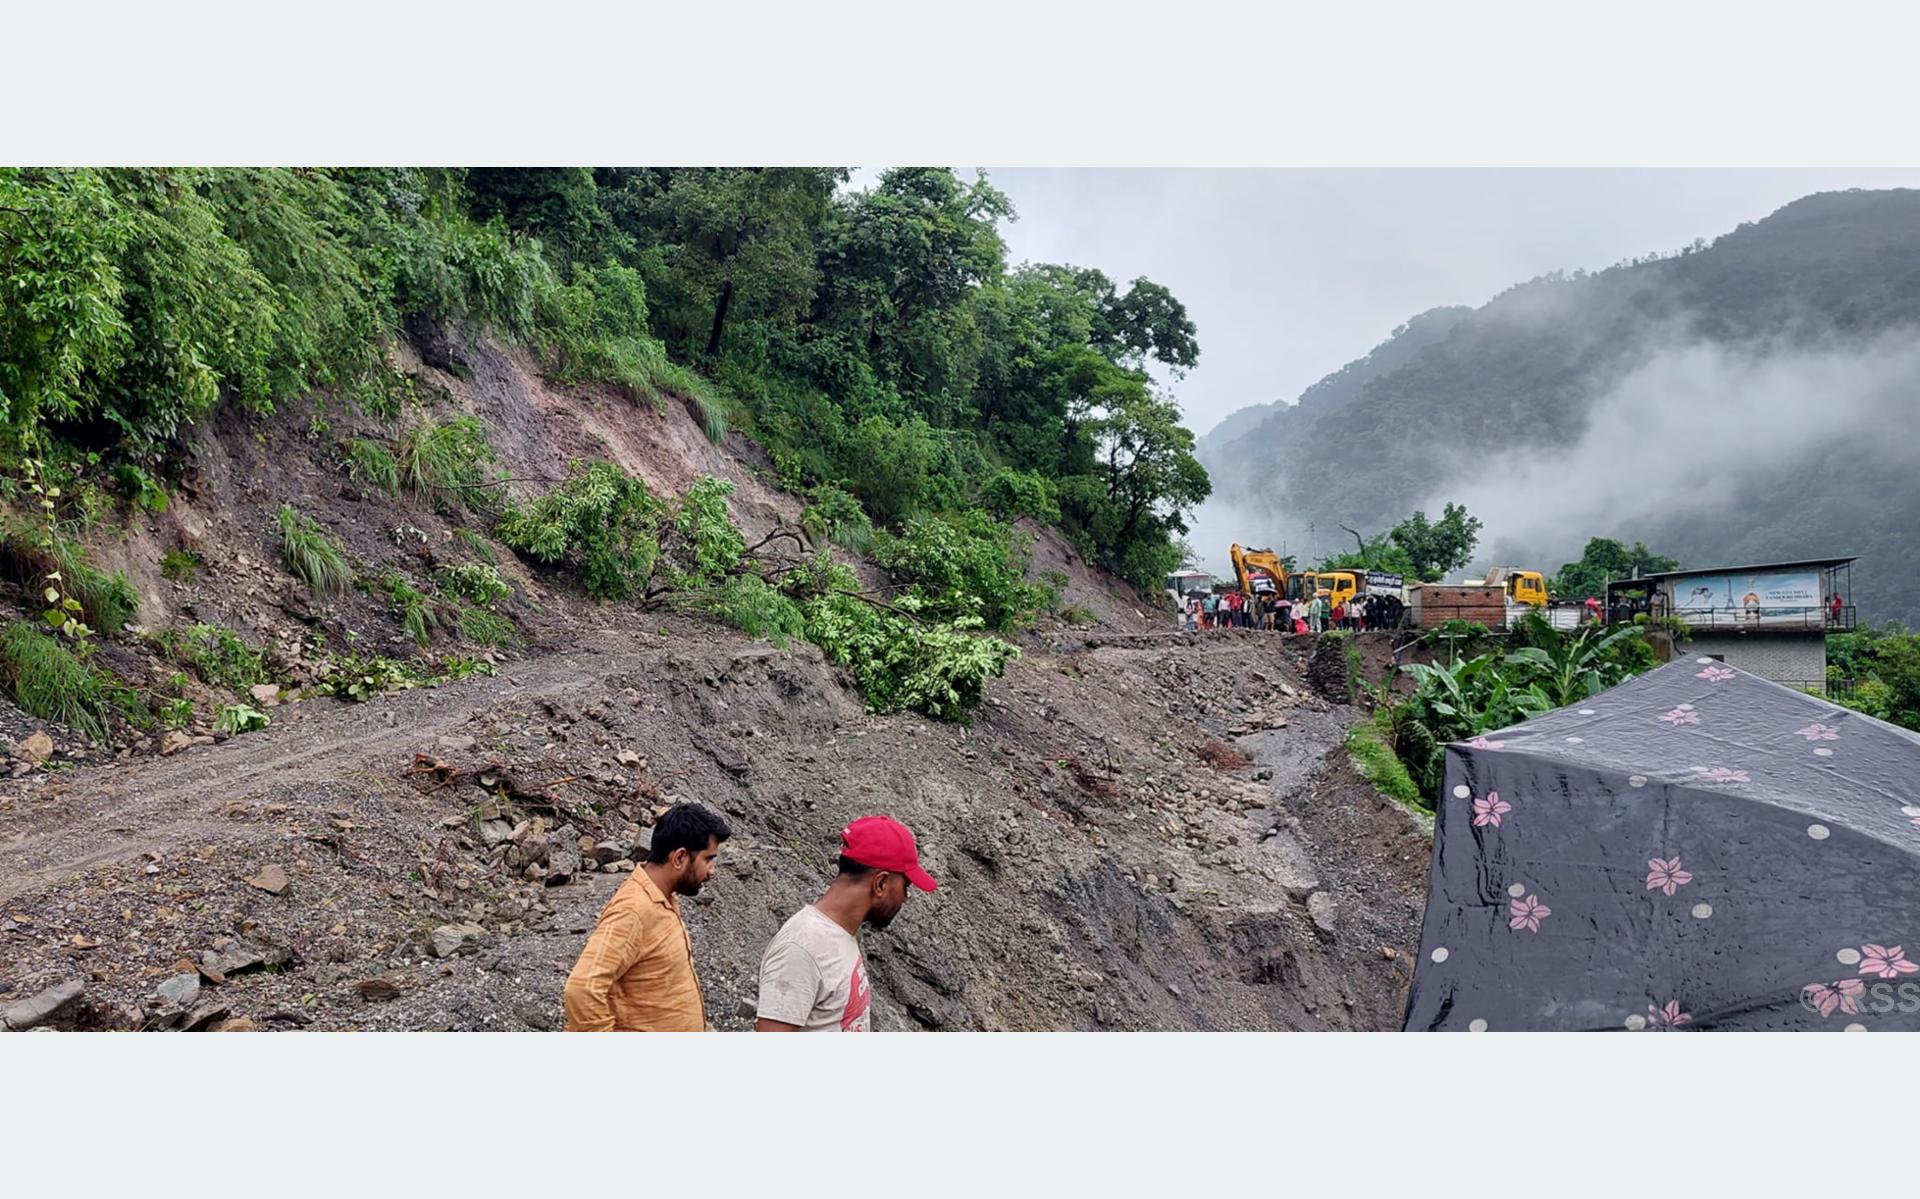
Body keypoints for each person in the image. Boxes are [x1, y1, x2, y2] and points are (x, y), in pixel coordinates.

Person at [754, 815, 938, 1032]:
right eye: (905, 886)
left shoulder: (837, 935)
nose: (905, 897)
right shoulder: (802, 947)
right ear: (880, 883)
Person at [563, 802, 731, 1032]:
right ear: (680, 857)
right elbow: (582, 988)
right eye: (708, 859)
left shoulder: (663, 897)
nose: (712, 871)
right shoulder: (633, 910)